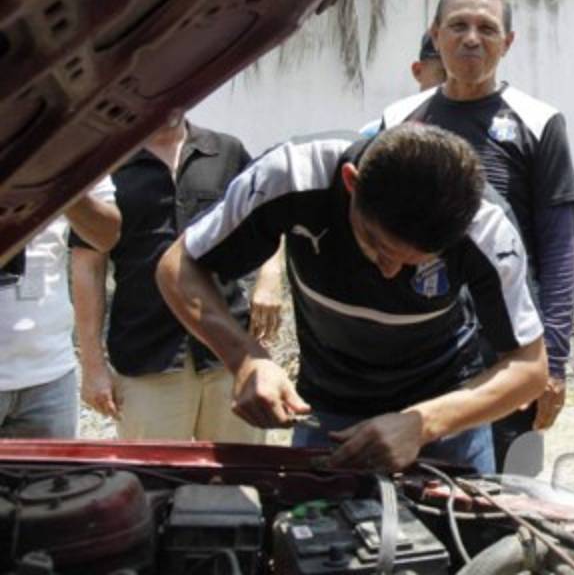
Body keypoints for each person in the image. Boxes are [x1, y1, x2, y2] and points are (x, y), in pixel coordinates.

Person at [155, 123, 547, 473]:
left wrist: (423, 423)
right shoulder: (292, 173)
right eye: (380, 246)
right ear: (350, 182)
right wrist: (245, 358)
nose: (390, 273)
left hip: (444, 413)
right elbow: (178, 266)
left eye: (416, 263)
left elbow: (529, 368)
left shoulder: (488, 227)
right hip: (327, 411)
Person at [375, 0, 574, 475]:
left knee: (508, 497)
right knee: (408, 493)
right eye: (458, 26)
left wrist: (552, 362)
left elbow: (558, 250)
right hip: (415, 350)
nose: (471, 38)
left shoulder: (539, 122)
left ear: (507, 42)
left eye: (487, 28)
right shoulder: (398, 120)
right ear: (436, 34)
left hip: (504, 353)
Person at [70, 112, 273, 443]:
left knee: (239, 470)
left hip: (229, 352)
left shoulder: (225, 151)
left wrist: (269, 279)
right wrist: (92, 365)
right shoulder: (108, 164)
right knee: (153, 472)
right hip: (147, 356)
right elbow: (88, 264)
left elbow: (269, 214)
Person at [0, 185, 120, 438]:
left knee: (55, 466)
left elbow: (105, 235)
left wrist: (60, 183)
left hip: (50, 372)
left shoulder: (66, 160)